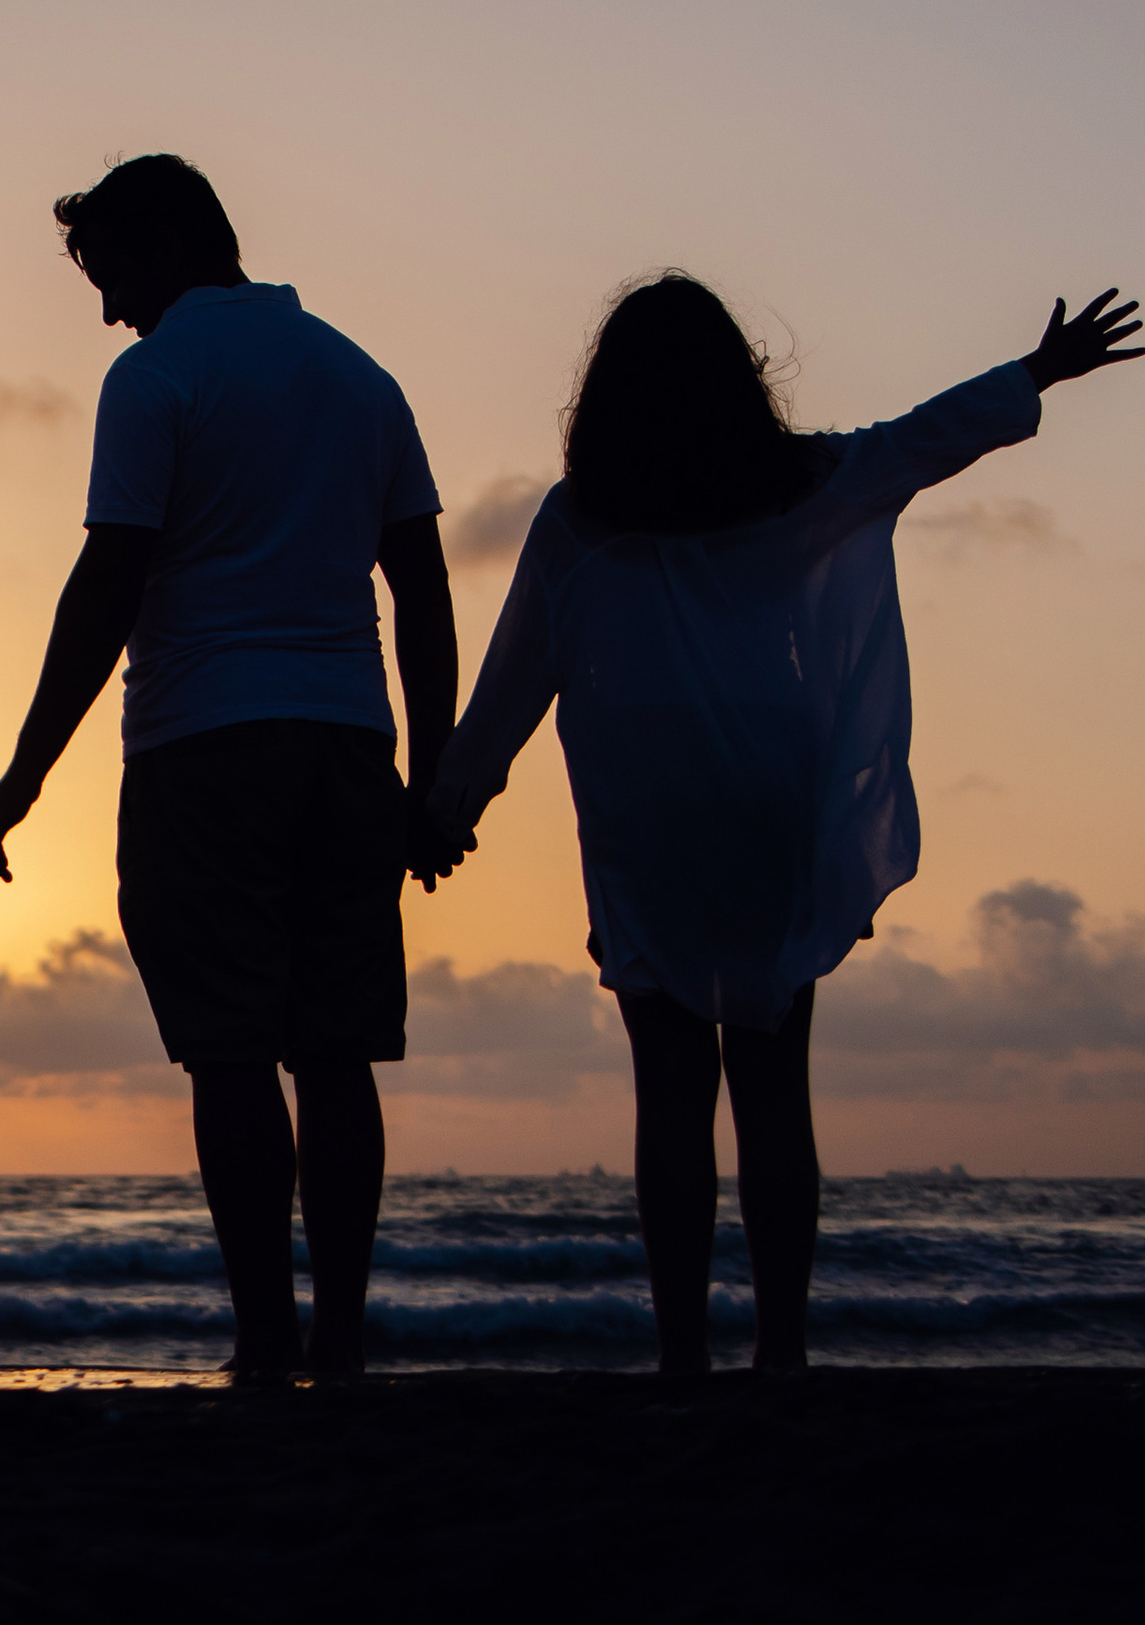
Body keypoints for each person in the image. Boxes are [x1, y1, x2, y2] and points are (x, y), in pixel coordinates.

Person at [426, 278, 1140, 1374]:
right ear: (739, 380)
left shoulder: (579, 517)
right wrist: (1037, 372)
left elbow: (515, 678)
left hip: (645, 809)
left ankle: (681, 1355)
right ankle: (781, 1350)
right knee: (771, 1082)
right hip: (768, 794)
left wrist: (446, 810)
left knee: (670, 1091)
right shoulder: (800, 483)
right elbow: (920, 440)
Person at [0, 155, 458, 1380]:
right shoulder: (361, 376)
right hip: (348, 744)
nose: (106, 309)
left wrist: (21, 777)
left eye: (109, 273)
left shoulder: (155, 379)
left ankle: (264, 1341)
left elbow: (107, 586)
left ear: (170, 244)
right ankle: (338, 1343)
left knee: (229, 1053)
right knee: (336, 1052)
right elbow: (424, 588)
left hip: (201, 746)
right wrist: (432, 773)